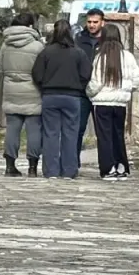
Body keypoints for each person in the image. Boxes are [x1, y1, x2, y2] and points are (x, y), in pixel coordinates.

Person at [33, 18, 96, 178]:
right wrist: (78, 86)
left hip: (50, 95)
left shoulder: (46, 52)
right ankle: (69, 170)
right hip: (72, 96)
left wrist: (44, 86)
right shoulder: (78, 53)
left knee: (50, 133)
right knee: (71, 133)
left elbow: (37, 74)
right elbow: (86, 74)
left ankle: (51, 171)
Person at [90, 24, 139, 180]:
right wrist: (126, 90)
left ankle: (108, 168)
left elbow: (96, 82)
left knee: (104, 136)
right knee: (118, 134)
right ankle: (121, 166)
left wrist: (89, 93)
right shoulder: (128, 57)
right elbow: (136, 80)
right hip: (120, 104)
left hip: (102, 103)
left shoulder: (100, 57)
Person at [0, 12, 45, 177]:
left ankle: (9, 165)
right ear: (31, 26)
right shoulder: (37, 46)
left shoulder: (5, 45)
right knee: (34, 130)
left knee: (12, 128)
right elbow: (42, 71)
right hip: (33, 90)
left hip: (11, 89)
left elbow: (1, 69)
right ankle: (32, 167)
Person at [75, 9, 106, 160]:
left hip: (102, 91)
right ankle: (73, 162)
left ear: (102, 23)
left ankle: (106, 164)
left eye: (95, 22)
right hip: (82, 90)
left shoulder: (108, 41)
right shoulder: (79, 39)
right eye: (89, 22)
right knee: (78, 128)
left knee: (103, 131)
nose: (92, 25)